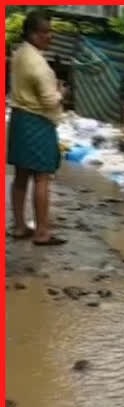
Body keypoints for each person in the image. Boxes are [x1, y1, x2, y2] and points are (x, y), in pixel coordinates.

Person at [7, 11, 67, 246]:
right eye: (45, 32)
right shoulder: (38, 64)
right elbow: (50, 101)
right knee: (42, 177)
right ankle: (42, 232)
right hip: (38, 121)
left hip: (20, 118)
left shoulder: (20, 53)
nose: (50, 36)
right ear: (33, 34)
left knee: (21, 176)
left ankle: (20, 226)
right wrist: (61, 93)